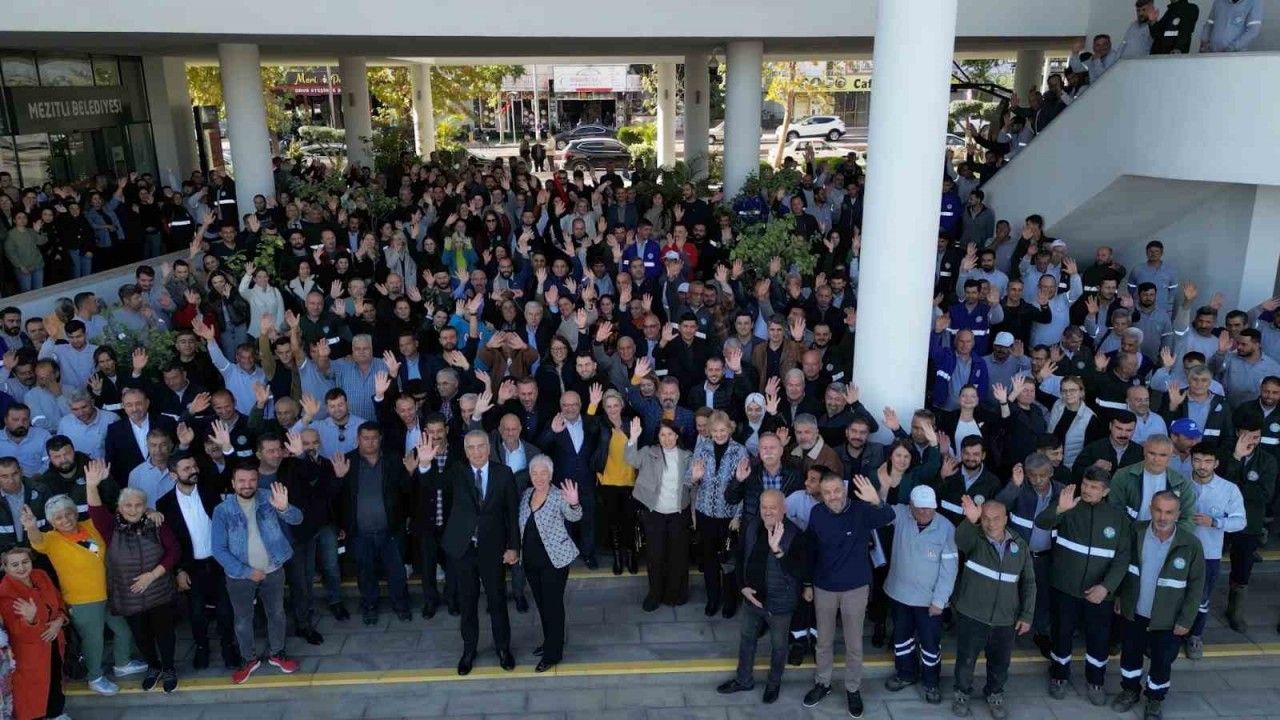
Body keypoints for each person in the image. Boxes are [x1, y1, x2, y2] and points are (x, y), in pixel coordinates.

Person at [22, 462, 146, 699]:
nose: (66, 519)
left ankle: (122, 663)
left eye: (68, 513)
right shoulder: (51, 539)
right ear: (52, 522)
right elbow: (36, 541)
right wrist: (30, 527)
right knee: (93, 640)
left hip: (109, 592)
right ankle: (95, 677)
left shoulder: (90, 526)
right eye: (59, 517)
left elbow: (107, 516)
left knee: (123, 631)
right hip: (82, 600)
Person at [1033, 467, 1131, 705]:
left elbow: (1123, 558)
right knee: (1061, 634)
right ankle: (1059, 676)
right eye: (1085, 485)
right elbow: (1042, 523)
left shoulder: (1118, 519)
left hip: (1099, 594)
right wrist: (1059, 509)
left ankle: (1096, 681)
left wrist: (1106, 588)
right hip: (1064, 588)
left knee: (1099, 639)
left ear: (1105, 491)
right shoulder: (1069, 507)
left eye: (1094, 487)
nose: (1087, 490)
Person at [800, 474, 893, 718]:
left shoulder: (861, 510)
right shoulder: (817, 513)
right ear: (821, 495)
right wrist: (808, 583)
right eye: (827, 492)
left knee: (854, 644)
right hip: (824, 587)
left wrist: (877, 501)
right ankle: (823, 683)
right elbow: (811, 550)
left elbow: (888, 517)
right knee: (823, 641)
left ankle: (853, 688)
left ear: (843, 489)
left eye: (836, 491)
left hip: (855, 588)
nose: (833, 496)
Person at [83, 466, 180, 693]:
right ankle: (154, 667)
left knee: (165, 633)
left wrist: (152, 575)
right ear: (119, 507)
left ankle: (169, 668)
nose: (133, 509)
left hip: (158, 591)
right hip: (129, 596)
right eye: (128, 505)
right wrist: (91, 485)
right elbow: (96, 510)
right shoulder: (110, 528)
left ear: (145, 506)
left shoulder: (157, 523)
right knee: (141, 636)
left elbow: (174, 551)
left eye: (138, 505)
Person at [1111, 491, 1205, 720]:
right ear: (1150, 509)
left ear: (1178, 514)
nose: (1163, 517)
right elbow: (1121, 566)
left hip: (1168, 619)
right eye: (1158, 510)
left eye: (1169, 512)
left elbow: (1196, 587)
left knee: (1162, 661)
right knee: (1130, 655)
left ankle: (1155, 699)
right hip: (1134, 612)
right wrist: (1119, 597)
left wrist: (1186, 620)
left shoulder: (1190, 544)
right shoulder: (1135, 532)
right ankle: (1130, 690)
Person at [715, 489, 812, 705]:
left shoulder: (795, 535)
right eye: (764, 507)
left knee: (779, 646)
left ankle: (773, 684)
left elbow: (799, 572)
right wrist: (742, 587)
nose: (767, 512)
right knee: (747, 639)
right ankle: (743, 680)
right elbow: (740, 557)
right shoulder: (752, 526)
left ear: (783, 509)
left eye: (773, 507)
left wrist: (778, 551)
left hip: (780, 604)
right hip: (751, 599)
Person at [436, 430, 520, 676]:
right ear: (465, 451)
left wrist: (513, 547)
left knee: (497, 601)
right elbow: (433, 484)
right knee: (467, 602)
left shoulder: (503, 473)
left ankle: (503, 648)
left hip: (492, 549)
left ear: (489, 447)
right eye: (471, 447)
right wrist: (424, 465)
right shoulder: (456, 472)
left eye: (481, 446)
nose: (476, 452)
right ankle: (469, 650)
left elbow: (512, 514)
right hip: (464, 549)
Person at [210, 463, 303, 684]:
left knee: (277, 614)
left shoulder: (269, 497)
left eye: (252, 480)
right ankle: (248, 659)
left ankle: (277, 653)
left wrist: (284, 508)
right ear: (233, 483)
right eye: (242, 481)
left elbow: (297, 519)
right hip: (240, 576)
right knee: (243, 619)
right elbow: (218, 549)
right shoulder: (222, 511)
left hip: (273, 570)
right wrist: (246, 571)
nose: (247, 485)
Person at [950, 496, 1035, 719]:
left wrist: (1027, 615)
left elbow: (1028, 582)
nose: (990, 523)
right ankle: (961, 693)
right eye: (986, 518)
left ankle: (995, 693)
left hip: (1005, 619)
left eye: (996, 518)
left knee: (1000, 663)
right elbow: (960, 539)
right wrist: (970, 521)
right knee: (966, 659)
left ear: (1006, 519)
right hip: (972, 614)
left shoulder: (1019, 545)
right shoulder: (974, 538)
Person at [155, 444, 240, 669]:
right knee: (196, 612)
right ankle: (201, 647)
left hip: (219, 561)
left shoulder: (210, 489)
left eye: (194, 466)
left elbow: (231, 472)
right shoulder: (164, 504)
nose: (193, 471)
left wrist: (227, 449)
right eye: (186, 468)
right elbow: (169, 543)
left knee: (225, 609)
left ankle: (228, 646)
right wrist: (178, 570)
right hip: (191, 566)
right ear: (173, 475)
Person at [880, 485, 958, 705]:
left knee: (930, 644)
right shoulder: (901, 514)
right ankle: (905, 674)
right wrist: (880, 491)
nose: (925, 512)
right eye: (921, 508)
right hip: (900, 594)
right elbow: (881, 510)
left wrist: (940, 600)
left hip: (929, 601)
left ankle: (931, 682)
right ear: (911, 506)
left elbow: (949, 569)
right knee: (902, 639)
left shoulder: (946, 528)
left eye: (930, 508)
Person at [335, 422, 413, 625]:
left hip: (391, 529)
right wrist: (339, 478)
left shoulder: (393, 459)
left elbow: (406, 491)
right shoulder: (347, 461)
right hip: (360, 531)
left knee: (396, 571)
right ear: (358, 439)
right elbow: (336, 497)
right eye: (365, 438)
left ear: (380, 439)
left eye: (374, 438)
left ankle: (401, 604)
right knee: (365, 572)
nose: (370, 442)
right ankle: (369, 606)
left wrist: (410, 473)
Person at [517, 455, 581, 672]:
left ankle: (553, 653)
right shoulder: (526, 494)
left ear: (551, 475)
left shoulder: (558, 495)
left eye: (543, 473)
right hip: (531, 561)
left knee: (553, 606)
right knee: (542, 604)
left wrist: (574, 503)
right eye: (535, 473)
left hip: (555, 561)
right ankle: (550, 641)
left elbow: (574, 516)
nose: (539, 477)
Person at [1183, 442, 1244, 657]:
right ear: (1191, 461)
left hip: (1209, 553)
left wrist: (1215, 522)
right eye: (1198, 460)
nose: (1202, 466)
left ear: (1216, 464)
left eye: (1208, 461)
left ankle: (1195, 636)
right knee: (1173, 593)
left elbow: (1240, 521)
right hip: (1178, 550)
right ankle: (1170, 634)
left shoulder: (1229, 489)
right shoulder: (1179, 483)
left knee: (1202, 597)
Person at [687, 411, 749, 619]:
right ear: (710, 432)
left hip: (728, 517)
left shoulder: (740, 451)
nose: (719, 434)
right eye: (715, 430)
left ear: (730, 429)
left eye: (723, 430)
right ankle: (713, 598)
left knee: (728, 561)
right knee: (709, 559)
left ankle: (730, 600)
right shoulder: (702, 448)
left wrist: (738, 516)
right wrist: (694, 477)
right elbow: (689, 480)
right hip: (705, 514)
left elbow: (743, 487)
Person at [625, 418, 692, 611]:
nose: (667, 438)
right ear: (658, 437)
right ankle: (654, 594)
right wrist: (633, 439)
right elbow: (631, 460)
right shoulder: (648, 452)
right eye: (663, 435)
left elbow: (693, 484)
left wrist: (695, 478)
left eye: (670, 434)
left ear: (677, 435)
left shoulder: (687, 455)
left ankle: (675, 593)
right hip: (655, 513)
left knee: (678, 555)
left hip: (679, 513)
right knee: (655, 556)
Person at [0, 547, 68, 720]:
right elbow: (16, 631)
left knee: (55, 681)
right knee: (32, 694)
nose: (21, 567)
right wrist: (30, 620)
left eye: (25, 562)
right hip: (30, 654)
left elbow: (59, 601)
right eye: (15, 564)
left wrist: (59, 621)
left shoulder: (41, 575)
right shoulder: (5, 592)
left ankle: (57, 714)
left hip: (54, 642)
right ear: (5, 567)